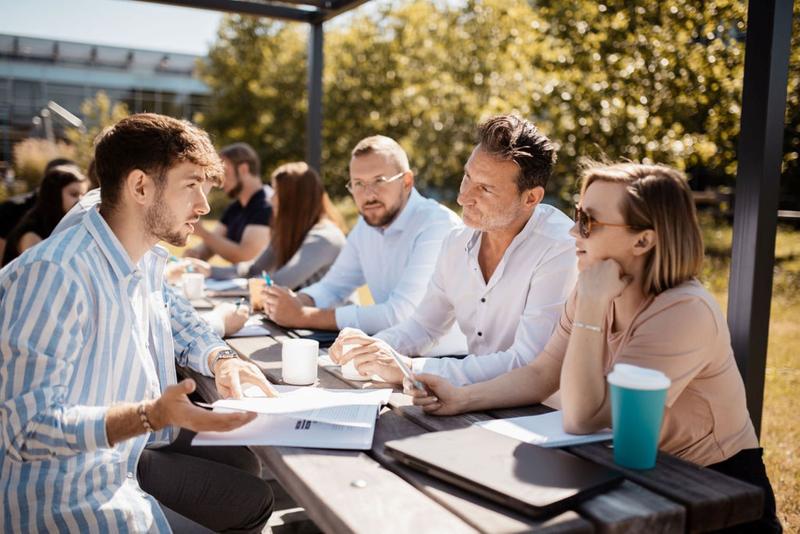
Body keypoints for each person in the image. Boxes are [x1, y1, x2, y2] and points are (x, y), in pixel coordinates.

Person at [406, 162, 781, 532]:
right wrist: (462, 398)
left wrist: (590, 307)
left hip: (716, 496)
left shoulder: (683, 311)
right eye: (577, 214)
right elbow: (541, 374)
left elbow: (584, 417)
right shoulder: (597, 289)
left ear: (643, 240)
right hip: (633, 474)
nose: (573, 231)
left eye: (589, 222)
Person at [0, 113, 278, 533]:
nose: (203, 206)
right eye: (191, 186)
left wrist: (220, 356)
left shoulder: (137, 250)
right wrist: (148, 415)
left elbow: (171, 310)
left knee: (242, 459)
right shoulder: (58, 273)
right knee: (250, 500)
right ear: (140, 186)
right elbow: (25, 429)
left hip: (115, 459)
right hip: (67, 497)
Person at [330, 115, 577, 386]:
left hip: (538, 416)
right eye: (467, 177)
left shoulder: (559, 248)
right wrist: (372, 348)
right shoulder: (456, 241)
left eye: (484, 189)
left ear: (531, 198)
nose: (463, 197)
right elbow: (424, 326)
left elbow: (526, 361)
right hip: (469, 401)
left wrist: (410, 368)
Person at [262, 135, 466, 354]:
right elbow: (333, 286)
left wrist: (301, 316)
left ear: (406, 182)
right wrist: (297, 300)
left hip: (445, 362)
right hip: (389, 355)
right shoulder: (366, 225)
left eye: (379, 180)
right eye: (359, 183)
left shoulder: (437, 224)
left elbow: (400, 314)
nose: (369, 195)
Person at [183, 161, 347, 290]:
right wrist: (209, 270)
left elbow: (280, 283)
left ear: (294, 199)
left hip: (330, 329)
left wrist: (230, 287)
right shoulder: (288, 232)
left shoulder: (324, 238)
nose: (270, 199)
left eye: (276, 192)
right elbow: (254, 270)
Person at [184, 142, 272, 263]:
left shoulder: (267, 205)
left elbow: (246, 256)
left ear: (243, 169)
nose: (221, 181)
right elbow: (212, 244)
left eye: (225, 172)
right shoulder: (236, 207)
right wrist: (194, 255)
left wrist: (202, 232)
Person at [1, 164, 89, 266]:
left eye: (83, 194)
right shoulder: (31, 235)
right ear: (54, 195)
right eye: (74, 194)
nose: (80, 200)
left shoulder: (67, 225)